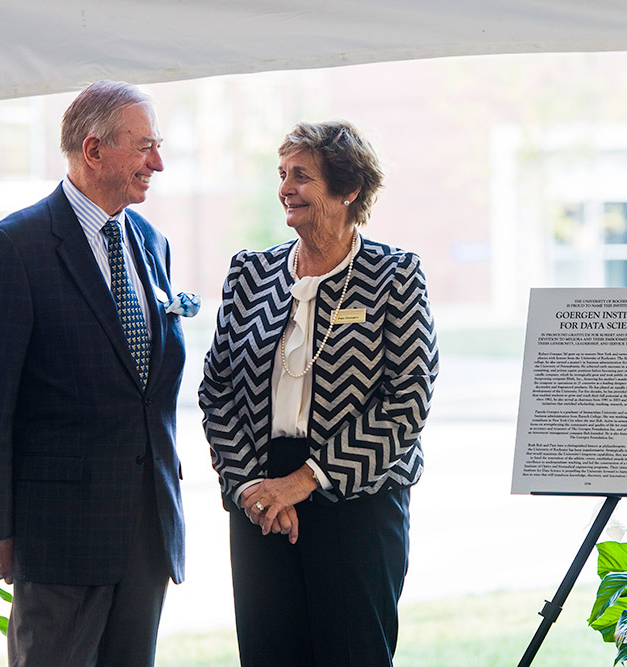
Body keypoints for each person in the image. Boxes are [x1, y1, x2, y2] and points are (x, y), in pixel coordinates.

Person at [0, 80, 190, 666]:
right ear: (93, 151)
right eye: (144, 148)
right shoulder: (14, 246)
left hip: (146, 528)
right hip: (58, 535)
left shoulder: (151, 242)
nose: (157, 163)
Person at [199, 119, 439, 666]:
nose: (285, 188)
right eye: (282, 174)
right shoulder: (250, 273)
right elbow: (217, 390)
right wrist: (250, 486)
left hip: (356, 498)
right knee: (268, 653)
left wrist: (304, 482)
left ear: (348, 189)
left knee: (352, 654)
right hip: (260, 496)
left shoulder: (394, 275)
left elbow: (409, 398)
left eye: (301, 176)